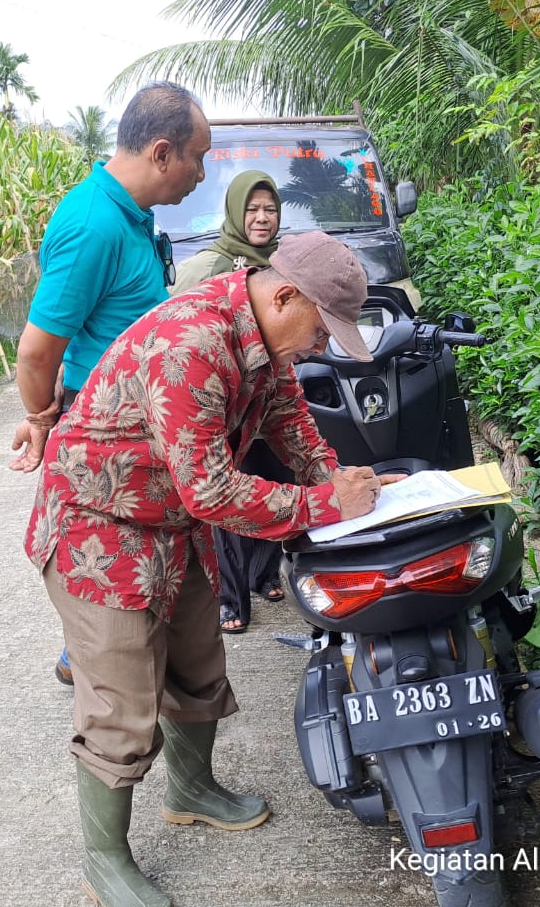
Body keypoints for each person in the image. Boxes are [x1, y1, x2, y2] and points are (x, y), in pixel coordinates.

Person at [24, 231, 395, 907]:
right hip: (98, 530)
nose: (322, 347)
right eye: (322, 328)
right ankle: (104, 861)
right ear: (285, 295)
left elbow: (291, 423)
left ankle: (191, 791)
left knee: (198, 662)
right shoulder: (193, 344)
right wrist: (322, 506)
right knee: (121, 701)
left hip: (168, 520)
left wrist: (346, 483)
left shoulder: (265, 340)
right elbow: (213, 490)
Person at [8, 81, 211, 686]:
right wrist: (43, 421)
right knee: (110, 584)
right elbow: (38, 351)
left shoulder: (132, 216)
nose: (201, 174)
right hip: (103, 437)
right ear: (161, 153)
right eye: (197, 156)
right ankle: (92, 661)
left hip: (138, 427)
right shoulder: (94, 223)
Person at [170, 171, 288, 633]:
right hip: (222, 406)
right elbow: (175, 335)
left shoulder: (285, 264)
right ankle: (231, 599)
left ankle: (262, 576)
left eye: (270, 209)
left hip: (267, 403)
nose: (261, 218)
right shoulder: (207, 266)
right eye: (252, 209)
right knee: (231, 503)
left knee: (279, 481)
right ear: (236, 212)